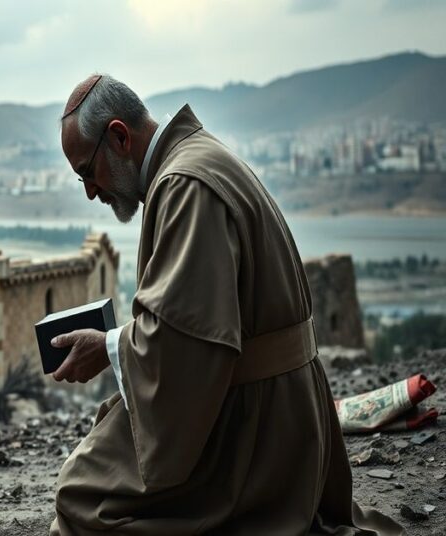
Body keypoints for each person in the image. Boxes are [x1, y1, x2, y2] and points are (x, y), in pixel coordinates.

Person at [48, 74, 403, 535]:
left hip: (256, 426)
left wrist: (110, 347)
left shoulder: (184, 186)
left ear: (119, 137)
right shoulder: (197, 158)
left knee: (80, 497)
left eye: (86, 173)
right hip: (285, 410)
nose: (91, 192)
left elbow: (185, 347)